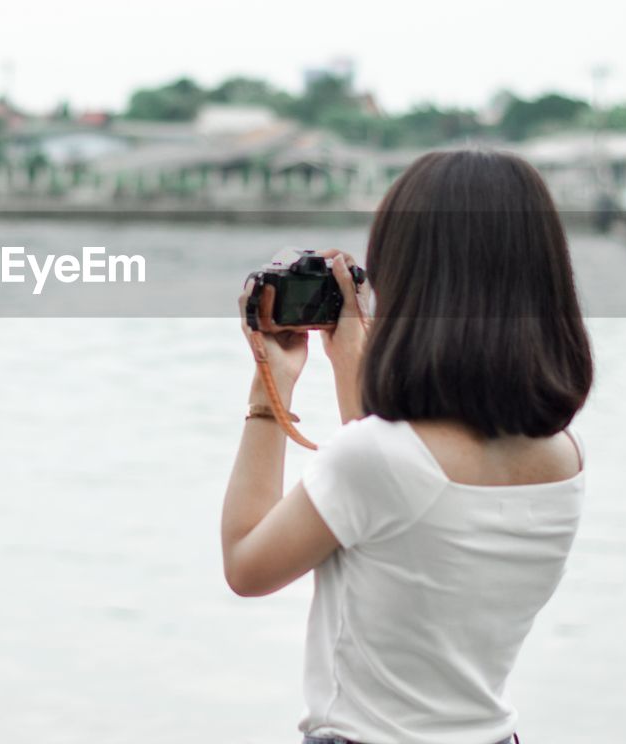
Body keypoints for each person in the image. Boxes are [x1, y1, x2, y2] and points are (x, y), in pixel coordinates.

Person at [222, 149, 593, 744]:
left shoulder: (376, 460)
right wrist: (355, 366)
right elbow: (396, 521)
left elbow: (246, 566)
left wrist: (270, 385)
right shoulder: (563, 458)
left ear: (411, 279)